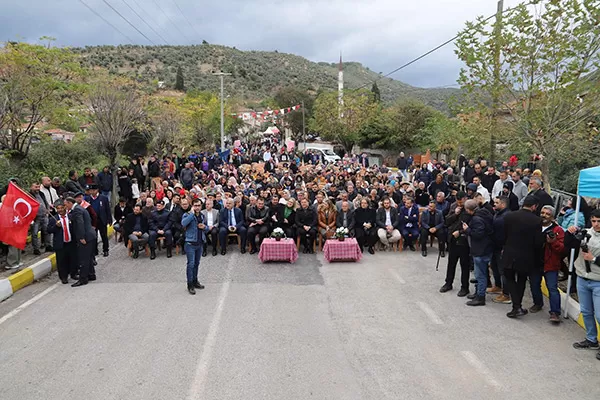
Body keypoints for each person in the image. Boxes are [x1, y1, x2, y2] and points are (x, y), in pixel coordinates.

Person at [502, 195, 544, 318]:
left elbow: (504, 235)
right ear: (534, 206)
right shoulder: (537, 221)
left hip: (509, 253)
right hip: (526, 256)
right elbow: (537, 243)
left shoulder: (510, 216)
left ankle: (517, 307)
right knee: (521, 280)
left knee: (509, 278)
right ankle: (517, 306)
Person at [572, 209, 600, 358]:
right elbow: (568, 245)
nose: (596, 224)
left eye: (599, 221)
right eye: (594, 221)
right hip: (583, 277)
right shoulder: (585, 233)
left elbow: (591, 257)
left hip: (598, 281)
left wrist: (593, 259)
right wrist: (571, 232)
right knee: (587, 311)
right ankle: (591, 339)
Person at [462, 199, 494, 306]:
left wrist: (467, 230)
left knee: (480, 274)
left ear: (468, 209)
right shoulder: (485, 213)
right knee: (481, 273)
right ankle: (478, 293)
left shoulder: (476, 219)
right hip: (487, 247)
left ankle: (480, 297)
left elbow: (478, 234)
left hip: (480, 249)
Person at [440, 192, 472, 296]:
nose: (459, 203)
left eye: (461, 201)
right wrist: (455, 214)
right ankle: (448, 283)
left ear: (465, 198)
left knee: (464, 265)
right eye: (458, 201)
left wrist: (461, 232)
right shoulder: (453, 206)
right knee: (451, 263)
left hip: (464, 241)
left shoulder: (470, 207)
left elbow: (471, 225)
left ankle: (465, 287)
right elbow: (447, 221)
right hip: (452, 238)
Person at [64, 196, 96, 287]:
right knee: (89, 257)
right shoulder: (80, 208)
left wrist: (81, 237)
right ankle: (91, 274)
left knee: (84, 258)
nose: (65, 207)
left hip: (86, 237)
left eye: (66, 204)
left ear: (70, 203)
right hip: (90, 235)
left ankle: (83, 279)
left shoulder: (77, 210)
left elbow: (80, 223)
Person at [540, 205, 565, 323]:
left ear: (552, 217)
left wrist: (553, 241)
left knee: (552, 289)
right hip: (535, 262)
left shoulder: (558, 230)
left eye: (547, 214)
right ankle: (537, 303)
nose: (544, 215)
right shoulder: (535, 225)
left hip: (551, 264)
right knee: (534, 285)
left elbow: (562, 249)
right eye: (542, 213)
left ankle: (555, 312)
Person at [181, 198, 208, 295]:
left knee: (196, 264)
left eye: (199, 205)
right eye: (195, 205)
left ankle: (195, 281)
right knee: (191, 264)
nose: (197, 207)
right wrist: (192, 213)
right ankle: (190, 284)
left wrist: (204, 227)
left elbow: (207, 227)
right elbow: (183, 223)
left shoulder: (202, 215)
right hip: (190, 243)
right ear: (192, 206)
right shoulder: (187, 215)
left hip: (200, 243)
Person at [47, 200, 77, 284]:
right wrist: (56, 226)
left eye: (61, 208)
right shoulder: (53, 219)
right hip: (60, 244)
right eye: (58, 208)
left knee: (72, 259)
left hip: (71, 242)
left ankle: (73, 273)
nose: (60, 210)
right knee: (61, 261)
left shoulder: (71, 217)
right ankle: (63, 277)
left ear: (65, 207)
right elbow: (48, 230)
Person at [490, 196, 511, 303]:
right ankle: (497, 286)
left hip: (502, 248)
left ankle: (506, 294)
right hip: (495, 246)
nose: (494, 204)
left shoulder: (506, 216)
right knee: (494, 266)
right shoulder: (498, 214)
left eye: (497, 203)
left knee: (503, 271)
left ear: (503, 204)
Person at [85, 184, 112, 257]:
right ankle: (95, 250)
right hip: (92, 221)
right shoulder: (87, 199)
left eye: (93, 190)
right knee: (94, 236)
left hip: (102, 219)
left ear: (97, 190)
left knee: (104, 236)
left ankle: (106, 250)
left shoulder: (103, 198)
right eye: (90, 190)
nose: (92, 192)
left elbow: (107, 209)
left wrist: (109, 219)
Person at [30, 182, 51, 255]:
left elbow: (45, 202)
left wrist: (48, 209)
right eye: (36, 187)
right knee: (35, 233)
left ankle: (48, 245)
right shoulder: (29, 195)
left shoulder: (41, 193)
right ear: (31, 187)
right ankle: (36, 249)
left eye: (38, 187)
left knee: (47, 231)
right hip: (35, 218)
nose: (37, 189)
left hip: (44, 215)